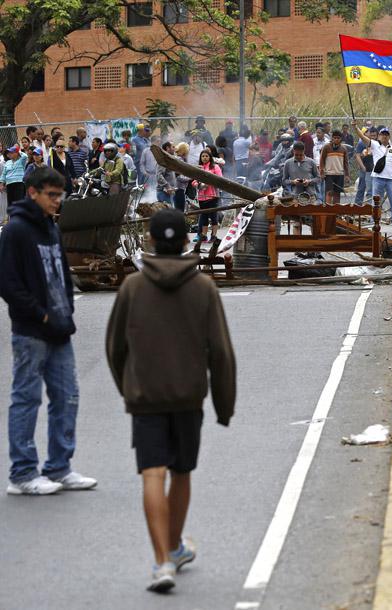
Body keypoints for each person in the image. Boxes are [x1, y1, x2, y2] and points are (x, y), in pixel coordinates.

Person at [105, 208, 235, 593]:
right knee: (181, 472)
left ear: (150, 241)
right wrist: (224, 406)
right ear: (184, 242)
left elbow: (114, 347)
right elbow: (222, 353)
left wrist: (128, 388)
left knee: (151, 473)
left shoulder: (132, 287)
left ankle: (163, 560)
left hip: (145, 397)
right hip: (187, 397)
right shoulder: (203, 288)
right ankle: (175, 547)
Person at [0, 167, 97, 495]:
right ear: (32, 193)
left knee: (67, 397)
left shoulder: (50, 228)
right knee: (26, 399)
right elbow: (8, 283)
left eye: (60, 195)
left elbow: (62, 274)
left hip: (60, 328)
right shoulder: (15, 231)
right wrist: (40, 315)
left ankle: (59, 467)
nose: (58, 201)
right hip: (31, 332)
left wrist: (66, 311)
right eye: (52, 195)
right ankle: (23, 474)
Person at [354, 121, 392, 232]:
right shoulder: (375, 145)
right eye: (382, 135)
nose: (384, 137)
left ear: (389, 137)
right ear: (379, 136)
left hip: (391, 179)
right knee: (376, 203)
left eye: (386, 135)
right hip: (377, 178)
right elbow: (362, 137)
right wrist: (356, 127)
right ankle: (374, 223)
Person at [194, 150, 222, 243]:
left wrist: (209, 183)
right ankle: (204, 236)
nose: (204, 158)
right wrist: (199, 185)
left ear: (210, 157)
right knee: (204, 217)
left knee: (214, 217)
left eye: (206, 156)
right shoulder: (198, 168)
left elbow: (220, 179)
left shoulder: (215, 167)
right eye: (203, 156)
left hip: (213, 196)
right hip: (202, 197)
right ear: (200, 158)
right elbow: (194, 181)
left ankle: (213, 236)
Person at [319, 131, 349, 205]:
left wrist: (347, 175)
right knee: (329, 192)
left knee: (337, 193)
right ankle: (328, 209)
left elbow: (346, 163)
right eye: (334, 138)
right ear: (332, 138)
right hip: (329, 174)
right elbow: (321, 160)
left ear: (341, 139)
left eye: (338, 138)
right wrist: (322, 172)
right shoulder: (326, 147)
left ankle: (336, 210)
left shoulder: (343, 149)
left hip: (340, 174)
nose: (336, 139)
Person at [173, 142, 191, 212]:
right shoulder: (179, 160)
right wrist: (190, 178)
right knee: (180, 210)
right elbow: (178, 176)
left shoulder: (181, 159)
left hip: (180, 188)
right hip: (178, 188)